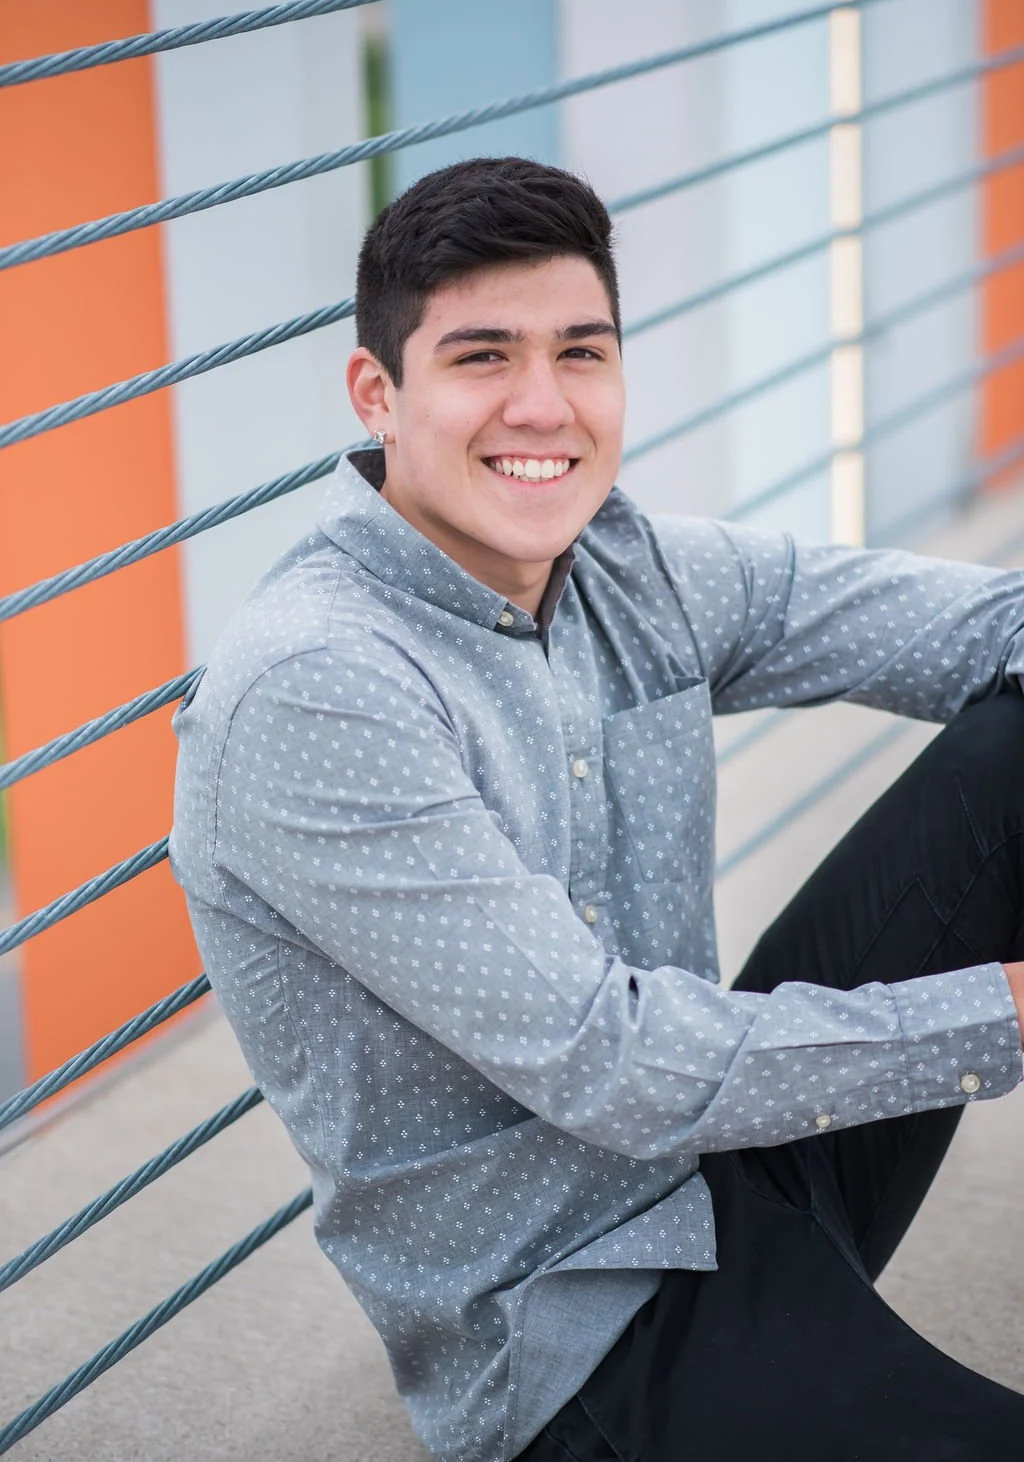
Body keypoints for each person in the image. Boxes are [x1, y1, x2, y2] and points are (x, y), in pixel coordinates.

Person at [169, 156, 1024, 1462]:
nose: (541, 402)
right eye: (482, 356)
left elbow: (982, 626)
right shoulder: (320, 691)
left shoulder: (626, 566)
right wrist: (1001, 1016)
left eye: (581, 350)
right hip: (574, 1333)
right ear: (377, 392)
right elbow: (608, 1061)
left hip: (721, 1168)